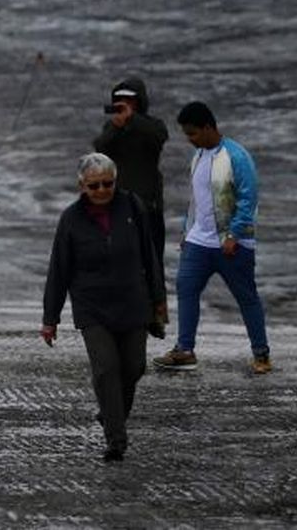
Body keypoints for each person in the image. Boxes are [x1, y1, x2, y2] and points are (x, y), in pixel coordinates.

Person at [41, 153, 167, 462]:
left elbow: (149, 255)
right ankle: (116, 438)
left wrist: (159, 300)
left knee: (134, 367)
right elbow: (59, 269)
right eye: (94, 185)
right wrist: (50, 318)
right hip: (92, 307)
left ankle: (111, 413)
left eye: (107, 184)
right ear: (81, 186)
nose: (101, 191)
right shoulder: (70, 219)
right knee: (106, 368)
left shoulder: (132, 206)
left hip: (133, 302)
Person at [153, 102, 270, 375]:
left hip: (232, 244)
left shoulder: (236, 156)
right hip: (198, 241)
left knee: (246, 297)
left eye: (193, 134)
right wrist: (187, 230)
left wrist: (235, 234)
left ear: (208, 127)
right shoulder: (199, 156)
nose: (190, 140)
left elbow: (248, 198)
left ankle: (261, 354)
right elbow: (197, 200)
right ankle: (185, 350)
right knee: (186, 289)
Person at [93, 76, 169, 269]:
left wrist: (132, 119)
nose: (124, 104)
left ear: (139, 102)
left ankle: (155, 298)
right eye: (120, 100)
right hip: (118, 206)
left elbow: (159, 137)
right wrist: (117, 128)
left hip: (147, 206)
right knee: (120, 262)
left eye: (130, 101)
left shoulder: (153, 124)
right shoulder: (112, 128)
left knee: (151, 262)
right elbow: (100, 148)